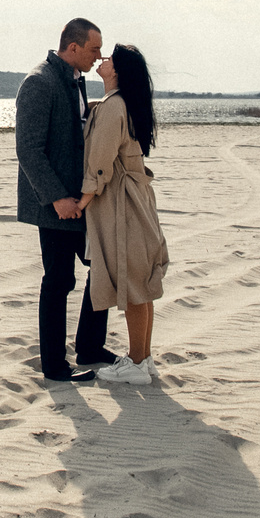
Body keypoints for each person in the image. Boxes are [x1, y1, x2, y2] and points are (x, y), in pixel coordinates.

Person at [16, 17, 117, 382]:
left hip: (82, 202)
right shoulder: (39, 82)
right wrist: (58, 198)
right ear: (72, 47)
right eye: (93, 49)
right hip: (54, 205)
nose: (98, 56)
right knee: (58, 281)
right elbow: (28, 150)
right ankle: (54, 366)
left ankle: (89, 346)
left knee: (103, 269)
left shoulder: (75, 80)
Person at [82, 43, 170, 385]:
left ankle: (135, 363)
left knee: (134, 284)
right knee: (142, 283)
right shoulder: (122, 105)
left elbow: (100, 166)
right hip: (139, 201)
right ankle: (142, 358)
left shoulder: (114, 107)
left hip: (124, 205)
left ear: (117, 71)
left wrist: (82, 202)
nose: (102, 61)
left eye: (109, 59)